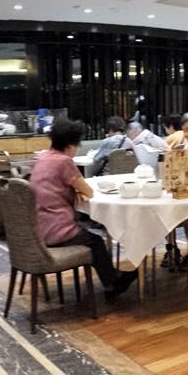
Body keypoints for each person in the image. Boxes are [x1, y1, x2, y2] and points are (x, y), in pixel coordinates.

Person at [26, 118, 135, 300]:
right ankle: (112, 284)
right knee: (96, 242)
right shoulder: (63, 162)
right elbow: (89, 191)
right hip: (56, 229)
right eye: (77, 145)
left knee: (90, 236)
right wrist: (78, 191)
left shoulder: (42, 158)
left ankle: (112, 278)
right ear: (70, 145)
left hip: (38, 228)